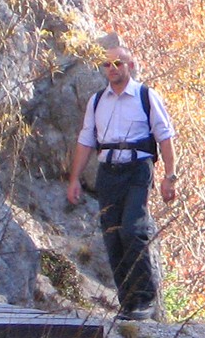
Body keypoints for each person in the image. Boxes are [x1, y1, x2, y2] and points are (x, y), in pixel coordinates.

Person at [65, 40, 178, 321]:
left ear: (129, 65)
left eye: (118, 63)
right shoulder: (97, 100)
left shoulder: (145, 96)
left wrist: (169, 177)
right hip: (108, 172)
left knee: (133, 229)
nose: (113, 68)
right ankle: (128, 303)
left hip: (138, 169)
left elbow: (165, 137)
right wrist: (75, 179)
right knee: (113, 234)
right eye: (108, 64)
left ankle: (145, 300)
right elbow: (86, 140)